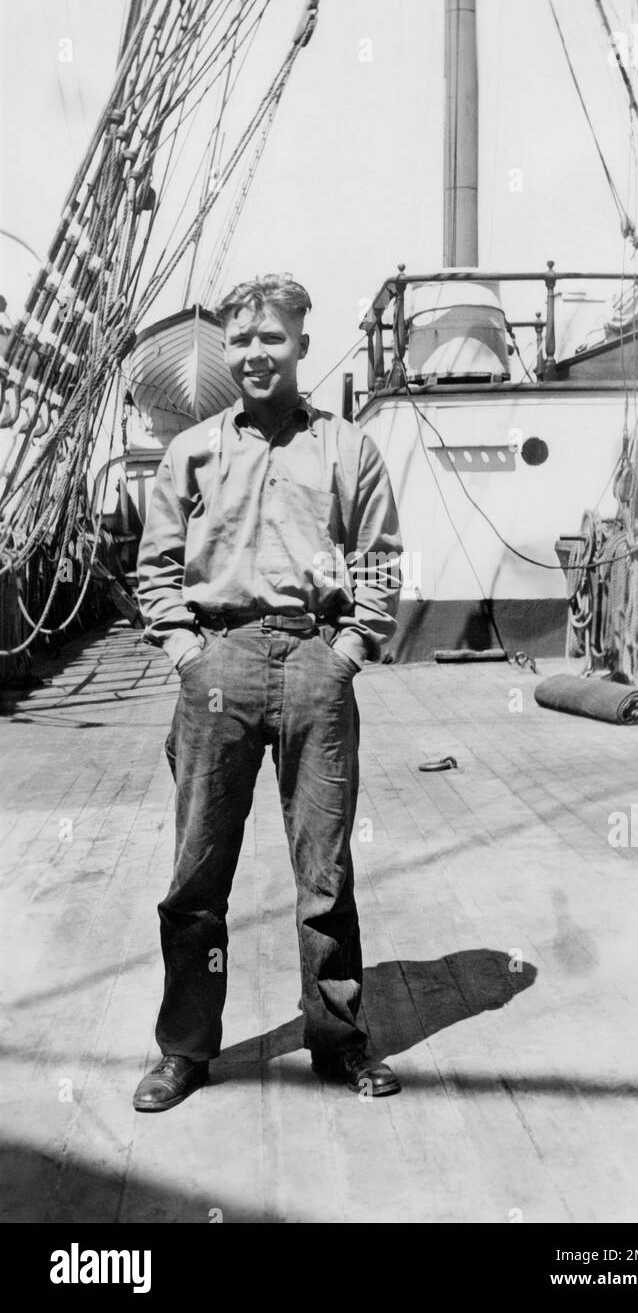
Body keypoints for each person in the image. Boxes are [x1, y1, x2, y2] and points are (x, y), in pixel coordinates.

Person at [133, 273, 403, 1111]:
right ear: (228, 349)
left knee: (324, 872)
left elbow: (382, 560)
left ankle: (338, 1039)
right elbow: (155, 568)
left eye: (271, 339)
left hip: (315, 663)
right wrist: (185, 652)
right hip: (219, 666)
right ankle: (184, 1049)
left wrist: (349, 650)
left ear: (300, 347)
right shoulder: (193, 450)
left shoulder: (347, 447)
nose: (255, 354)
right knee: (197, 874)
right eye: (241, 340)